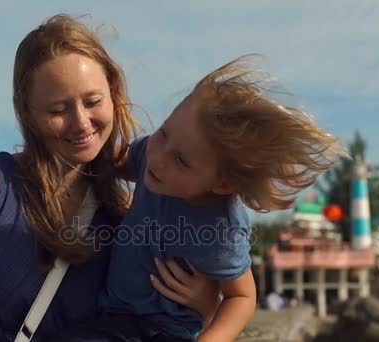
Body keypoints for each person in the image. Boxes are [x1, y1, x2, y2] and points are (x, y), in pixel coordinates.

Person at [0, 14, 220, 342]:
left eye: (93, 101)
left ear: (114, 92)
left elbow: (150, 323)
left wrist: (205, 306)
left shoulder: (124, 214)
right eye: (58, 110)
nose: (81, 123)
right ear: (27, 112)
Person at [57, 56, 348, 341]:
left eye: (181, 161)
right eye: (163, 133)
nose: (159, 158)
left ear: (222, 183)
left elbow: (243, 296)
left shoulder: (221, 231)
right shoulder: (156, 155)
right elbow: (117, 161)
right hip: (113, 313)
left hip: (165, 329)